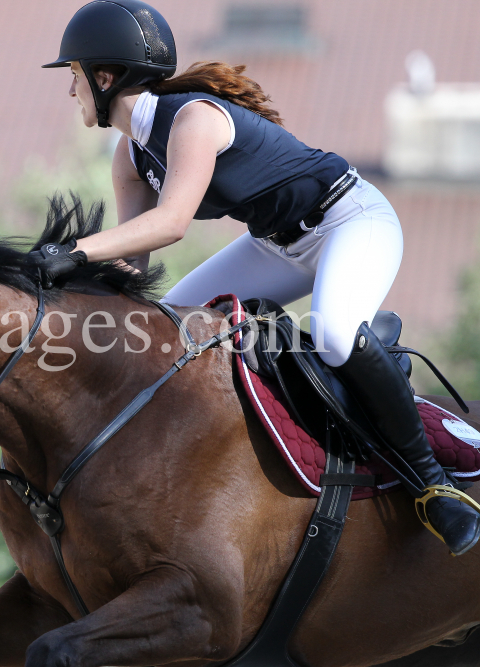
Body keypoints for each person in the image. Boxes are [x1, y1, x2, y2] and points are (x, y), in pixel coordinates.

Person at [26, 0, 480, 555]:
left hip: (351, 220)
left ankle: (433, 482)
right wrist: (64, 289)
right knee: (161, 333)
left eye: (73, 76)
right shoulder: (130, 154)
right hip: (275, 246)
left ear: (104, 77)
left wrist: (73, 249)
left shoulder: (192, 117)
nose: (69, 90)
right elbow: (133, 264)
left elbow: (168, 225)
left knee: (335, 333)